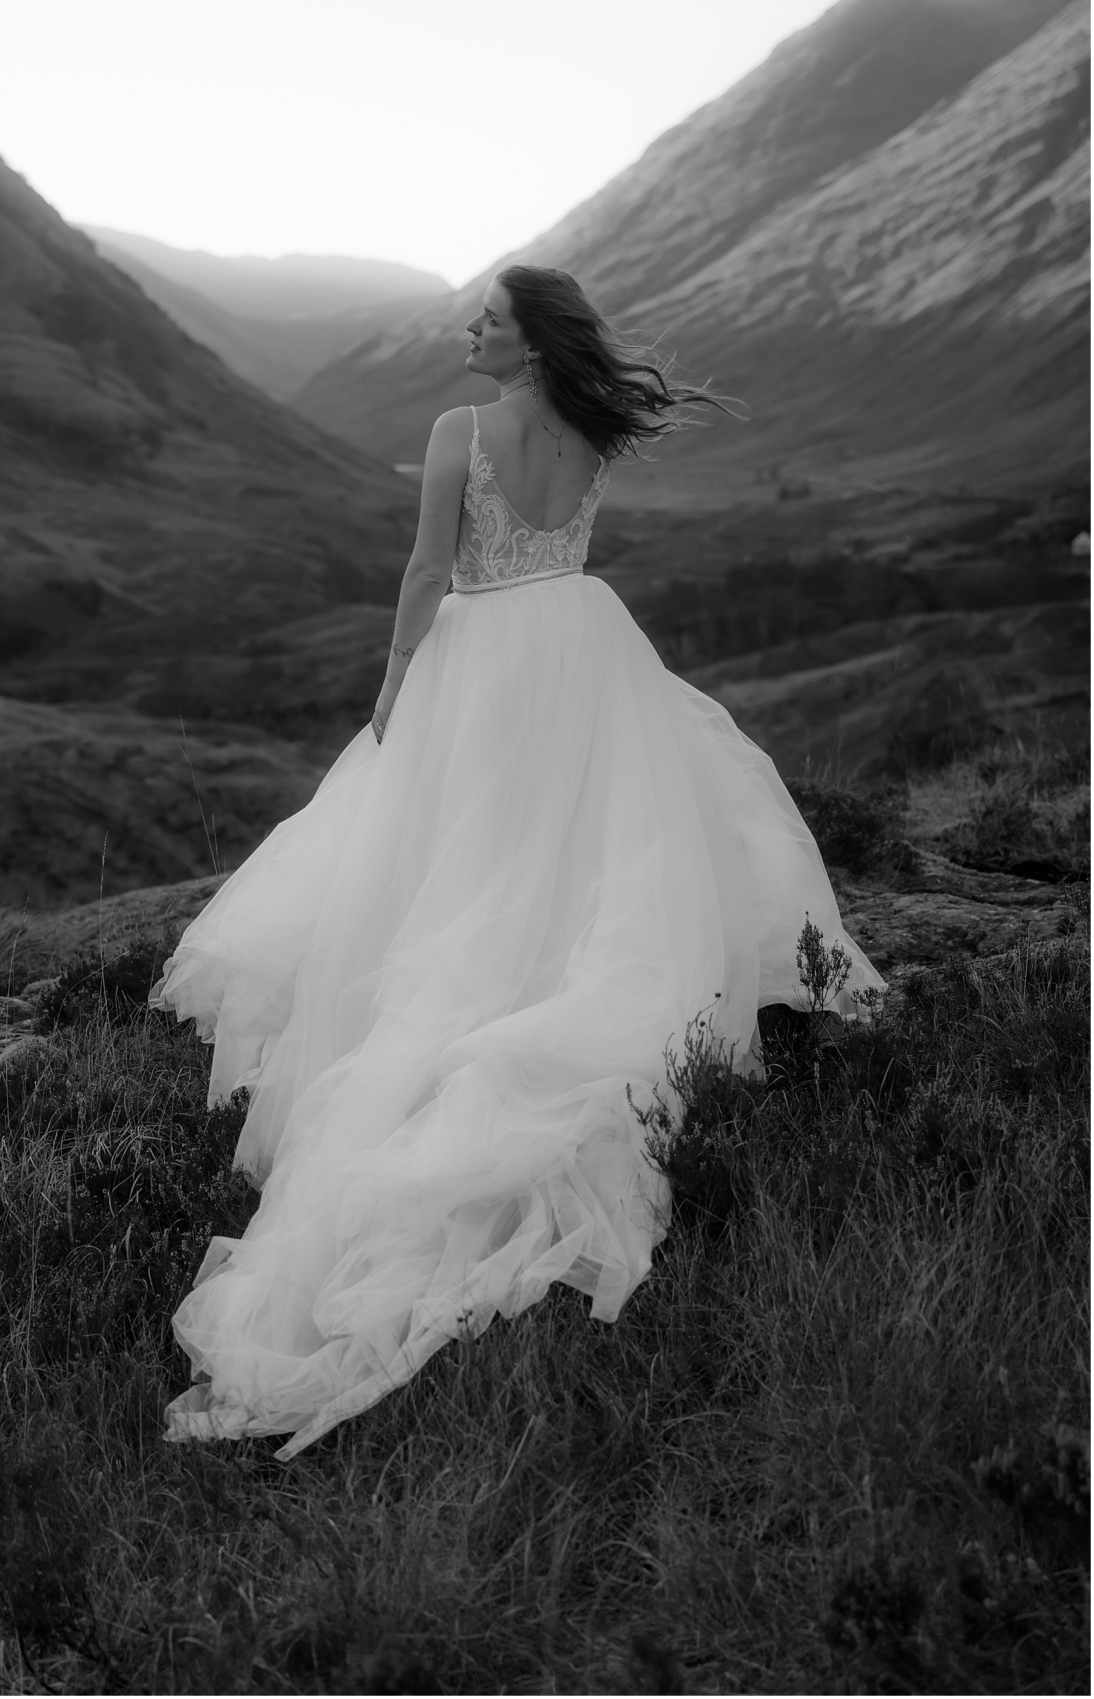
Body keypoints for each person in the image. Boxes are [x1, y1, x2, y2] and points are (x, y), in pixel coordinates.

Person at [150, 264, 882, 1459]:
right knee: (589, 839)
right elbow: (554, 542)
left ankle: (456, 1038)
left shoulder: (459, 430)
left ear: (530, 340)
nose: (468, 332)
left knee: (463, 851)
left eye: (486, 320)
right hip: (583, 639)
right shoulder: (592, 430)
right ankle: (548, 993)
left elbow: (430, 569)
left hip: (484, 653)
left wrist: (394, 675)